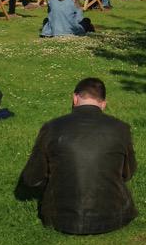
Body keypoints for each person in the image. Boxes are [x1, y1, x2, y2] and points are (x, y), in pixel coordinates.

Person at [20, 77, 137, 235]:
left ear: (74, 98)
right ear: (103, 104)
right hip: (114, 217)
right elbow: (128, 173)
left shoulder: (52, 127)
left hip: (59, 219)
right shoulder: (121, 128)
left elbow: (32, 178)